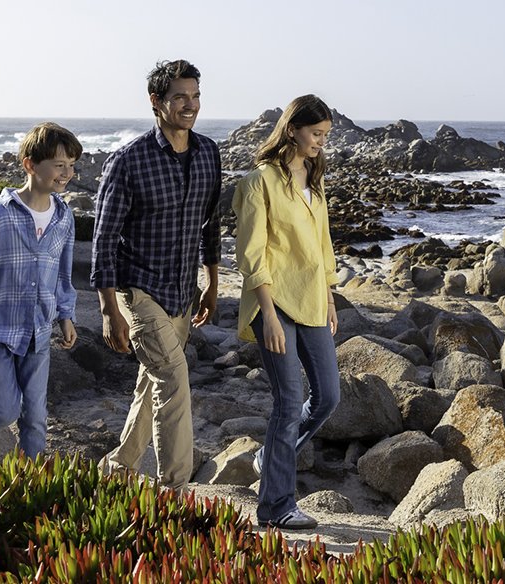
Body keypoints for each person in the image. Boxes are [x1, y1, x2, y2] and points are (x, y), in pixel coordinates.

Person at [92, 60, 222, 488]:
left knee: (152, 386)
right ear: (157, 102)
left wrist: (212, 283)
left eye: (195, 95)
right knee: (174, 380)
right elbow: (104, 240)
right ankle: (175, 491)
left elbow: (210, 223)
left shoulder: (208, 154)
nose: (190, 105)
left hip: (183, 291)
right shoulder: (128, 162)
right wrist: (110, 309)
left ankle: (117, 469)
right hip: (139, 290)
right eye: (180, 97)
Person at [233, 94, 341, 530]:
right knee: (288, 400)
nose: (320, 142)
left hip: (312, 300)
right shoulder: (259, 182)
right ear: (293, 128)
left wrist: (330, 297)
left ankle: (267, 457)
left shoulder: (314, 178)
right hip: (272, 303)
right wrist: (268, 313)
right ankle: (276, 507)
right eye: (316, 134)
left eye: (325, 136)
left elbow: (323, 244)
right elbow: (252, 251)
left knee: (328, 396)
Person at [0, 122, 82, 458]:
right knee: (4, 411)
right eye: (58, 165)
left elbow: (63, 274)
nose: (66, 173)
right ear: (30, 164)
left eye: (71, 166)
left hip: (38, 332)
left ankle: (31, 482)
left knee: (36, 418)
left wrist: (65, 315)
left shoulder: (64, 217)